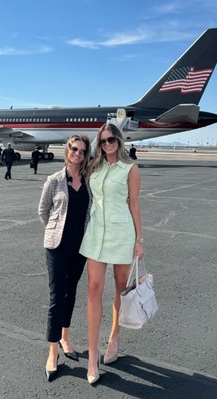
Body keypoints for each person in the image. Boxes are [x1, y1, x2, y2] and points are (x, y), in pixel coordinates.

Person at [79, 123, 143, 385]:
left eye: (111, 139)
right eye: (102, 141)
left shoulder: (131, 168)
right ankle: (93, 355)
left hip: (121, 233)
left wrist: (140, 240)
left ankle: (114, 336)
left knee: (119, 287)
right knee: (94, 289)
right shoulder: (95, 166)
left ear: (119, 140)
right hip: (96, 233)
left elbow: (135, 204)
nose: (107, 144)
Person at [37, 134, 92, 382]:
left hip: (80, 248)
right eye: (74, 148)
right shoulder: (54, 180)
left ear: (86, 154)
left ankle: (65, 338)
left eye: (82, 150)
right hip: (57, 248)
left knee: (71, 293)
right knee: (57, 295)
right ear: (67, 150)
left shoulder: (89, 180)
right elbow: (43, 210)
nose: (77, 153)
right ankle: (52, 352)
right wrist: (55, 230)